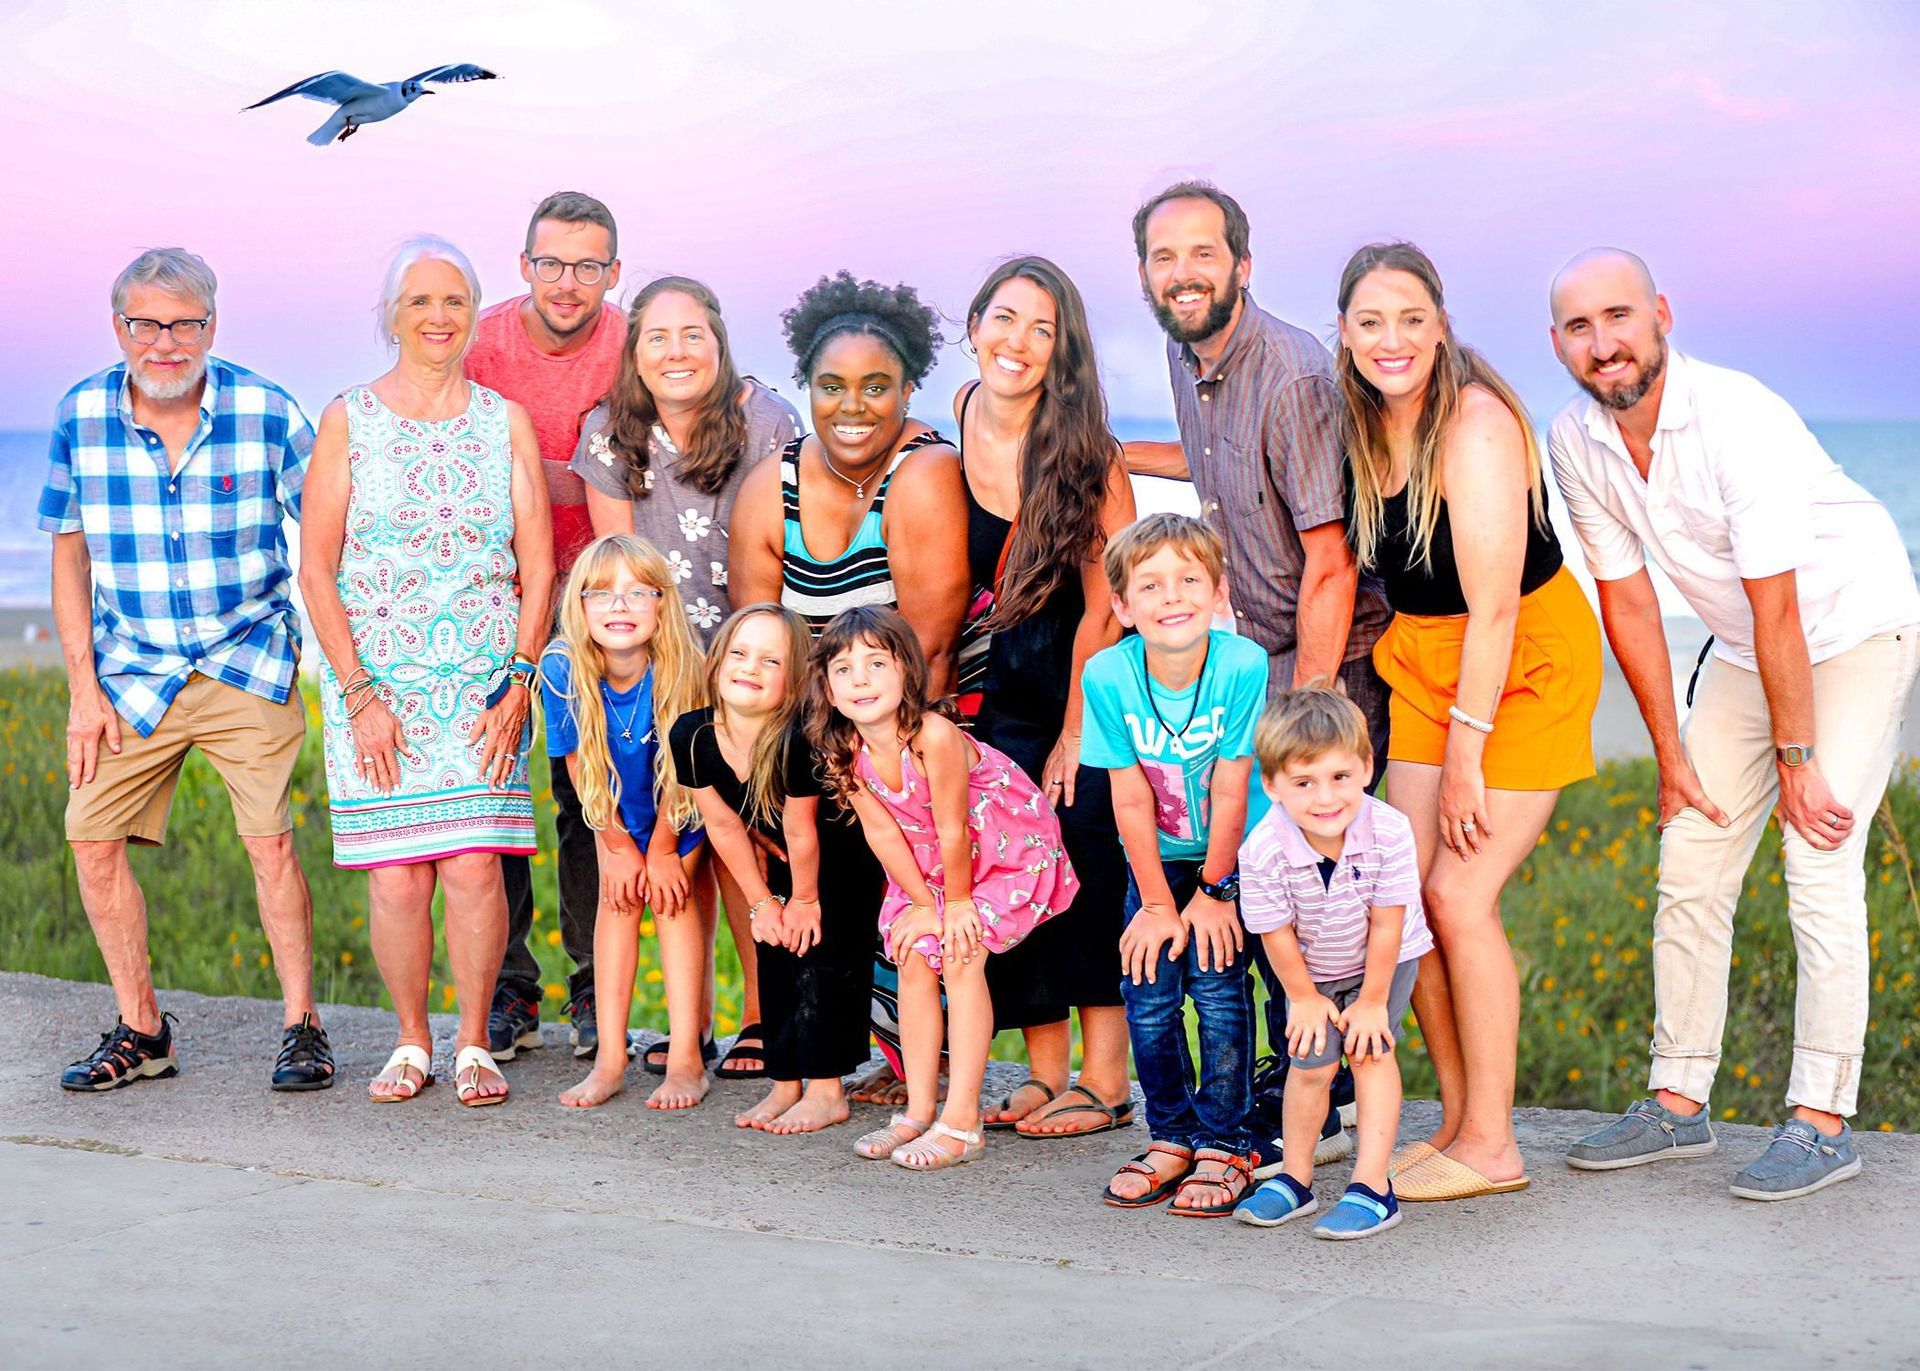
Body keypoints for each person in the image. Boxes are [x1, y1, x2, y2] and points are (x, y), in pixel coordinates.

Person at [1548, 248, 1920, 1201]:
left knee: (1817, 846)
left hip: (1853, 621)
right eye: (1580, 327)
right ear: (1559, 344)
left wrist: (1797, 759)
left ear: (1662, 314)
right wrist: (1670, 753)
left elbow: (1780, 605)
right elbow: (1627, 605)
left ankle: (1824, 1117)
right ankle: (1677, 1104)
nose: (1604, 343)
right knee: (1692, 853)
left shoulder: (1736, 417)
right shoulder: (1576, 440)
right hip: (1752, 647)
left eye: (1619, 316)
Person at [1122, 181, 1391, 1149]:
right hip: (1254, 649)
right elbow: (1215, 478)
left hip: (1325, 659)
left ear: (1243, 264)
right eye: (1164, 256)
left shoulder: (1292, 373)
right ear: (1146, 270)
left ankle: (1320, 1090)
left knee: (1315, 878)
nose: (1183, 273)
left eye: (1203, 254)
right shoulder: (1183, 347)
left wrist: (1308, 715)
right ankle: (1292, 1082)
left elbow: (1331, 560)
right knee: (1263, 874)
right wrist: (1106, 454)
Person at [1334, 241, 1600, 1201]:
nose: (1391, 339)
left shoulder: (1474, 424)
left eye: (1411, 318)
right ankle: (1455, 1125)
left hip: (1519, 661)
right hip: (1426, 655)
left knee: (1458, 894)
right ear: (1346, 334)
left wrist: (1469, 758)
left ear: (1441, 323)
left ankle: (1496, 1143)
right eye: (1371, 321)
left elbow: (1495, 607)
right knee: (1403, 891)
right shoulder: (1368, 421)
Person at [41, 247, 333, 1093]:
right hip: (131, 670)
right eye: (146, 323)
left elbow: (327, 535)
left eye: (184, 323)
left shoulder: (269, 410)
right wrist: (80, 691)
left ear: (212, 323)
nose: (165, 342)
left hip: (247, 657)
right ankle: (142, 1028)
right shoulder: (79, 414)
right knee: (89, 836)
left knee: (269, 842)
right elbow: (70, 560)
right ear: (118, 326)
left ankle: (302, 1025)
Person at [300, 235, 553, 1107]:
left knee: (477, 864)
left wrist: (520, 680)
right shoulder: (348, 418)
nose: (439, 317)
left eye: (455, 301)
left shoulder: (502, 420)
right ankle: (412, 1041)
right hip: (377, 684)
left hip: (482, 681)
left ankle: (476, 1041)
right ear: (392, 316)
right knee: (400, 872)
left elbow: (540, 566)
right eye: (421, 301)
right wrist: (360, 693)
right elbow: (316, 569)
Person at [731, 270, 969, 1103]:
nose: (853, 404)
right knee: (776, 841)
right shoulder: (771, 486)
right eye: (831, 387)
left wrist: (853, 770)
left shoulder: (926, 473)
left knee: (870, 867)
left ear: (908, 388)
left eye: (877, 386)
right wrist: (782, 771)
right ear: (808, 389)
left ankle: (899, 1060)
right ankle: (814, 1057)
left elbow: (928, 651)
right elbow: (756, 648)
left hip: (904, 729)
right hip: (804, 729)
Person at [574, 275, 803, 1081]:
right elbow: (620, 573)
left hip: (746, 656)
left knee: (744, 845)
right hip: (660, 660)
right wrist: (667, 676)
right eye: (657, 337)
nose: (676, 351)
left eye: (693, 334)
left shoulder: (765, 419)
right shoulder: (608, 432)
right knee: (685, 859)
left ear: (719, 341)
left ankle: (760, 1015)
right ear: (634, 353)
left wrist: (750, 678)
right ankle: (689, 1025)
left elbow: (778, 552)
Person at [952, 256, 1139, 1137]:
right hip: (999, 688)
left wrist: (1075, 728)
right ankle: (1042, 1073)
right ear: (975, 324)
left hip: (1087, 681)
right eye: (1005, 318)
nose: (1017, 342)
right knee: (1010, 864)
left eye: (1042, 329)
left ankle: (1105, 1083)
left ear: (1061, 352)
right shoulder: (956, 417)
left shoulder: (1088, 455)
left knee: (1089, 864)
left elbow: (1111, 601)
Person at [809, 607, 1078, 1170]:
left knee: (960, 955)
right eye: (843, 669)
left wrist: (952, 907)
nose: (859, 679)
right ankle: (918, 1109)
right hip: (931, 871)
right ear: (827, 689)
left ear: (907, 671)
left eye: (875, 664)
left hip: (1006, 856)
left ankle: (962, 1121)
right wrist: (923, 904)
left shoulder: (933, 735)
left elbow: (955, 827)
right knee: (910, 956)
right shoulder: (844, 749)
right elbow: (883, 835)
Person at [465, 191, 627, 1065]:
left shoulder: (637, 341)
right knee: (493, 792)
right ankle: (506, 990)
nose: (569, 284)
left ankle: (596, 992)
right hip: (494, 592)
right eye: (553, 263)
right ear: (524, 264)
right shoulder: (483, 343)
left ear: (614, 271)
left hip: (597, 595)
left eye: (589, 265)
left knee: (585, 793)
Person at [1085, 514, 1269, 1217]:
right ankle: (1171, 1133)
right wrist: (1158, 904)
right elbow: (1129, 797)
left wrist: (1216, 891)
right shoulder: (1107, 675)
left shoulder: (1240, 664)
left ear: (1218, 592)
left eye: (1190, 579)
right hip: (1154, 863)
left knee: (1220, 991)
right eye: (1152, 584)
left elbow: (1230, 784)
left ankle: (1226, 1142)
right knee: (1150, 992)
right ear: (1124, 608)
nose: (1173, 596)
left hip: (1230, 860)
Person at [1232, 686, 1430, 1240]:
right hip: (1309, 969)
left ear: (1367, 767)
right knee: (1310, 1065)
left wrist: (1369, 1002)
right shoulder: (1263, 847)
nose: (1326, 797)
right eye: (1304, 782)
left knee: (1370, 1055)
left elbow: (1388, 923)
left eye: (1341, 777)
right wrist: (1303, 997)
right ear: (1272, 785)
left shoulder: (1389, 830)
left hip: (1382, 962)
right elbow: (1275, 932)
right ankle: (1295, 1179)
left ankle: (1373, 1186)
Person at [671, 604, 875, 1133]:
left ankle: (827, 1089)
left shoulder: (798, 737)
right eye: (739, 654)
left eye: (770, 661)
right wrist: (762, 903)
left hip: (840, 856)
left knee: (823, 960)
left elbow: (805, 830)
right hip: (778, 858)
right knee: (774, 955)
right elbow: (722, 824)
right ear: (716, 664)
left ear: (795, 681)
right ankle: (786, 1083)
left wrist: (805, 902)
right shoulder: (691, 734)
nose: (750, 668)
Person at [541, 535, 707, 1110]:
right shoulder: (562, 668)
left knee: (670, 900)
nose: (620, 606)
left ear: (662, 605)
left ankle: (687, 1058)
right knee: (616, 904)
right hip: (610, 809)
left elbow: (686, 773)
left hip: (677, 809)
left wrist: (660, 849)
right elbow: (578, 769)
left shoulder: (684, 666)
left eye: (639, 592)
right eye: (603, 593)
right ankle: (611, 1058)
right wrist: (614, 845)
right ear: (579, 606)